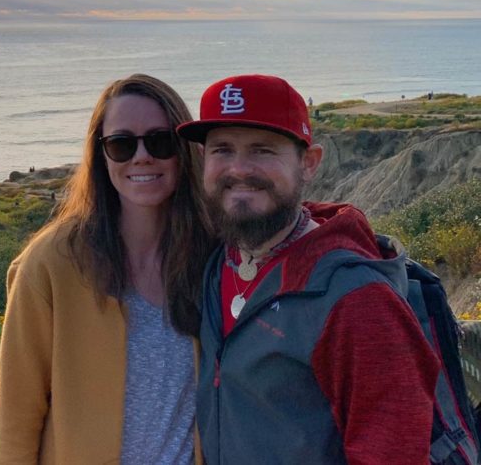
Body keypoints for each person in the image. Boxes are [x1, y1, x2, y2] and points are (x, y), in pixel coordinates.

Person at [176, 74, 439, 465]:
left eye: (263, 150)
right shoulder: (219, 260)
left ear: (309, 163)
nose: (239, 169)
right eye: (223, 150)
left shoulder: (355, 299)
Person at [0, 74, 215, 464]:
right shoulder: (51, 265)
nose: (141, 157)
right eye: (122, 144)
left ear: (184, 150)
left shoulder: (213, 255)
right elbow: (16, 420)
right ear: (101, 154)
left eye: (161, 141)